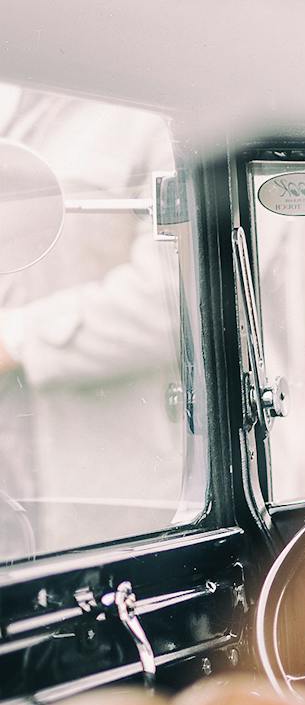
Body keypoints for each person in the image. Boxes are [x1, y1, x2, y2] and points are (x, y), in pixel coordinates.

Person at [0, 83, 185, 560]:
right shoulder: (18, 101)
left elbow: (175, 298)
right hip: (15, 480)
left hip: (129, 496)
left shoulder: (165, 110)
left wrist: (15, 338)